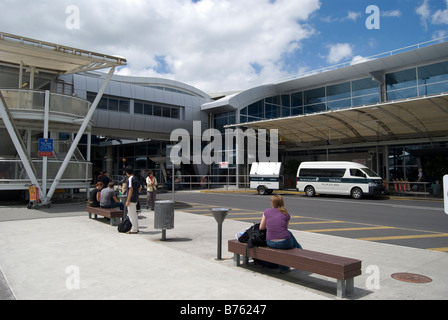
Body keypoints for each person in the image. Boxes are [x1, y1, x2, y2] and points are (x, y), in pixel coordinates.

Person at [259, 195, 302, 273]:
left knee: (287, 234)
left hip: (270, 242)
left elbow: (261, 227)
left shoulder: (267, 211)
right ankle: (301, 252)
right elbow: (285, 228)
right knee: (288, 234)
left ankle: (284, 267)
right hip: (285, 243)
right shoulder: (286, 214)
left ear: (272, 203)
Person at [125, 166, 140, 234]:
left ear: (127, 172)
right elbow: (139, 188)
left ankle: (134, 229)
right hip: (136, 198)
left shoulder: (130, 179)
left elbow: (130, 189)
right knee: (134, 214)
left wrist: (128, 200)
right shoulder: (135, 178)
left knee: (131, 214)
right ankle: (136, 228)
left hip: (131, 199)